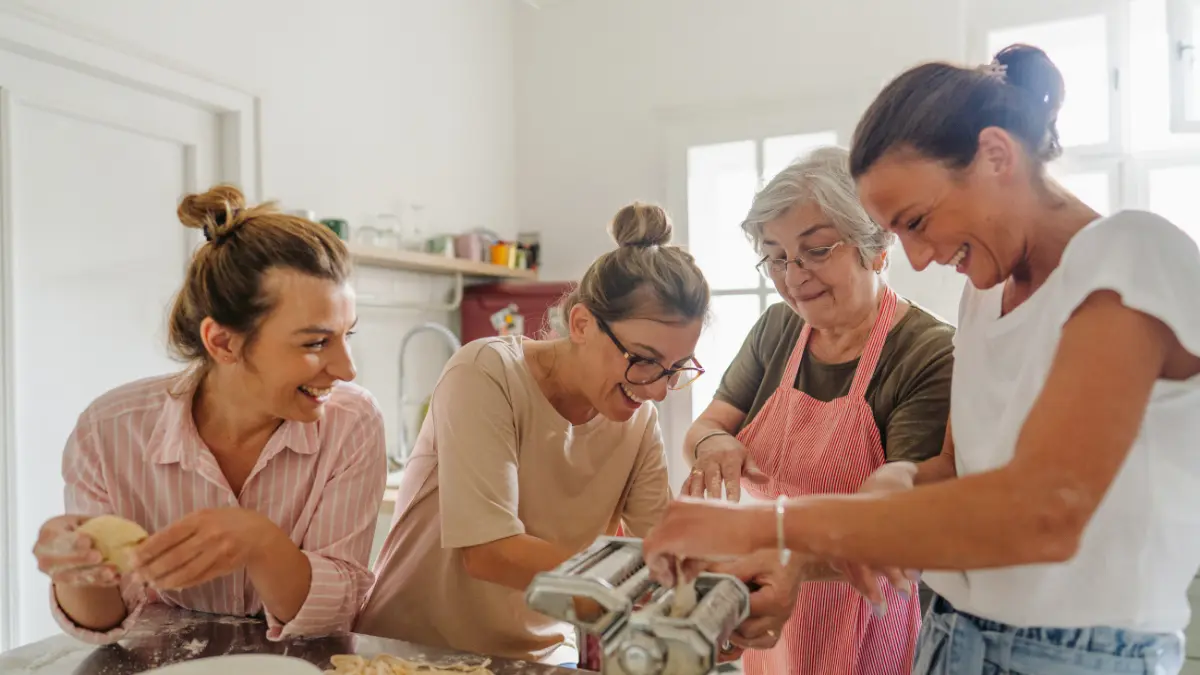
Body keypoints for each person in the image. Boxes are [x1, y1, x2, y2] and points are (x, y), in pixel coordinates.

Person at [643, 44, 1200, 674]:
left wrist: (763, 528)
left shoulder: (1129, 255)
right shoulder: (983, 299)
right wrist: (885, 494)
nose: (916, 257)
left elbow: (1045, 512)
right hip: (950, 639)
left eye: (917, 220)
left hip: (1077, 655)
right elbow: (955, 472)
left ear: (996, 156)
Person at [31, 185, 387, 644]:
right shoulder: (110, 429)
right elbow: (102, 623)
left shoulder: (352, 423)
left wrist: (259, 541)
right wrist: (78, 569)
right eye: (315, 343)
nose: (348, 368)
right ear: (222, 342)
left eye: (347, 335)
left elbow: (335, 615)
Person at [680, 146, 954, 674]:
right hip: (768, 596)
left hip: (861, 602)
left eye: (817, 250)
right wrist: (715, 447)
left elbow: (906, 525)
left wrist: (792, 560)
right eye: (776, 257)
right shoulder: (776, 330)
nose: (794, 274)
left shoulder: (926, 351)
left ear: (876, 246)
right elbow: (706, 429)